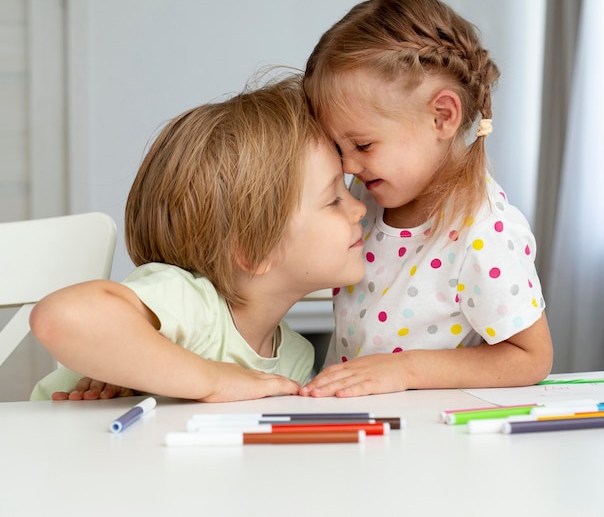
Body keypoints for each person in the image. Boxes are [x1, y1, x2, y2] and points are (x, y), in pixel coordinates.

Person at [29, 74, 366, 402]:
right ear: (255, 248)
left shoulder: (294, 357)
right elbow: (60, 317)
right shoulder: (192, 303)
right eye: (333, 199)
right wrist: (213, 381)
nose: (360, 210)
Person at [299, 0, 553, 398]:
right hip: (357, 419)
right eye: (338, 148)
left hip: (431, 438)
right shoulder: (369, 192)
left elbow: (531, 357)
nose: (347, 166)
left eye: (362, 145)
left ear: (442, 117)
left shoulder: (484, 232)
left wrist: (405, 370)